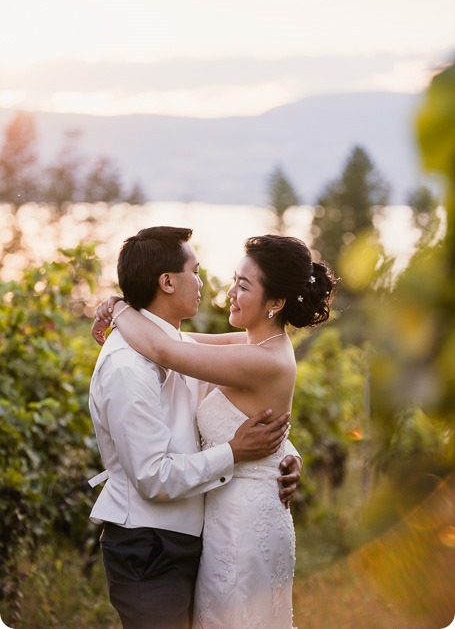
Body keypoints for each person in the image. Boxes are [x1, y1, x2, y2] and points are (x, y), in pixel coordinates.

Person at [100, 232, 336, 629]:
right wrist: (286, 453)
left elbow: (166, 351)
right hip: (222, 519)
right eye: (233, 279)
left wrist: (118, 310)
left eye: (242, 286)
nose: (228, 291)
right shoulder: (251, 345)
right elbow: (177, 340)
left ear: (275, 303)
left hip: (246, 523)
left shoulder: (263, 360)